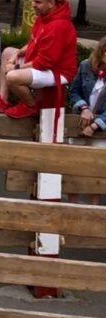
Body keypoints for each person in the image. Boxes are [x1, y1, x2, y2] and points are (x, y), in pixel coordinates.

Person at [0, 0, 76, 119]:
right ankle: (2, 99)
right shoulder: (44, 17)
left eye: (38, 2)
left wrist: (16, 67)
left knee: (12, 76)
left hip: (57, 72)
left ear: (51, 4)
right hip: (44, 64)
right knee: (8, 52)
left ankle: (31, 105)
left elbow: (43, 63)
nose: (33, 4)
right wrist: (18, 53)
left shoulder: (58, 26)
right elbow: (33, 42)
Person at [67, 36, 106, 205]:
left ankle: (93, 207)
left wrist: (96, 124)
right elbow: (73, 92)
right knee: (73, 168)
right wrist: (83, 108)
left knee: (95, 170)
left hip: (101, 128)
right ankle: (71, 206)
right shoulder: (85, 66)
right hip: (80, 122)